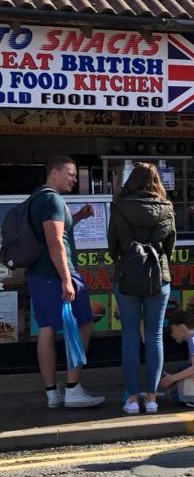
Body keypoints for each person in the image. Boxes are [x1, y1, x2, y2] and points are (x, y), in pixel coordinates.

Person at [26, 156, 105, 409]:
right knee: (84, 324)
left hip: (39, 275)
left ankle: (53, 394)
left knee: (47, 328)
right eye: (70, 173)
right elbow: (55, 241)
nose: (74, 179)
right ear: (55, 172)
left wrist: (78, 217)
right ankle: (73, 389)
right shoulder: (52, 199)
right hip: (58, 275)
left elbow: (53, 231)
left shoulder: (37, 197)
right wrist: (66, 279)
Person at [108, 162, 176, 415]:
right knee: (155, 336)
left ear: (131, 180)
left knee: (130, 337)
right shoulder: (167, 208)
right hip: (158, 278)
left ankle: (132, 399)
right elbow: (170, 249)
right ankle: (152, 398)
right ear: (156, 181)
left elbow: (112, 247)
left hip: (126, 275)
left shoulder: (120, 207)